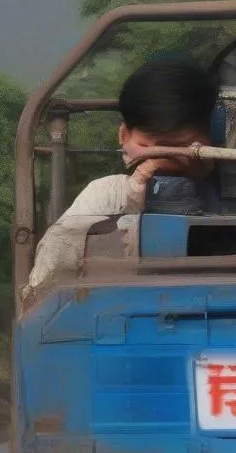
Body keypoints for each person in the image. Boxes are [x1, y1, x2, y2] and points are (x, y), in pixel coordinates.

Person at [25, 58, 219, 294]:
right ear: (123, 136)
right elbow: (49, 278)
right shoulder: (106, 195)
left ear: (213, 138)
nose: (163, 161)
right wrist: (130, 201)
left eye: (183, 148)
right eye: (150, 147)